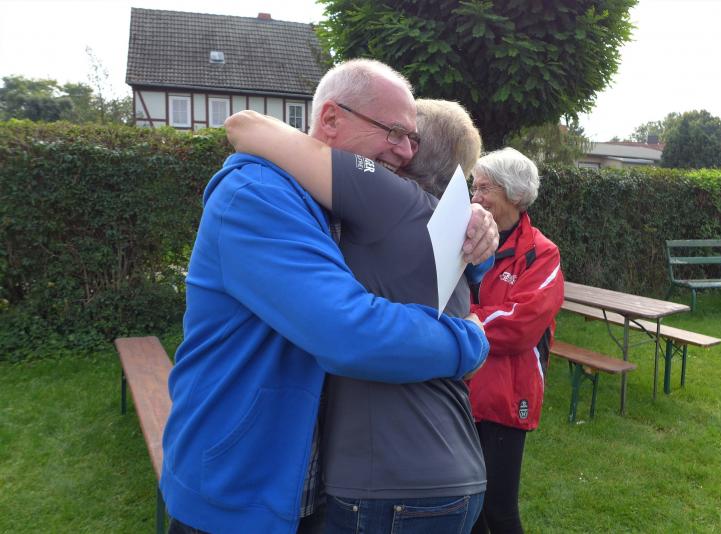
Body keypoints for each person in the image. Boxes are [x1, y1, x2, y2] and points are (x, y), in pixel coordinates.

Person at [160, 59, 498, 534]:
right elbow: (349, 332)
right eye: (394, 133)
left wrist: (479, 231)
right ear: (332, 119)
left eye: (413, 139)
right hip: (238, 490)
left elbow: (415, 244)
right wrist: (468, 341)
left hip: (302, 484)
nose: (405, 153)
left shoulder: (335, 204)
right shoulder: (257, 195)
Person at [466, 148, 565, 534]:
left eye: (485, 188)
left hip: (507, 396)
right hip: (462, 389)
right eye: (475, 187)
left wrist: (463, 321)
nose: (476, 196)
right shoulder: (466, 238)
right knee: (468, 505)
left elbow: (520, 325)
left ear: (516, 194)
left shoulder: (542, 253)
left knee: (498, 508)